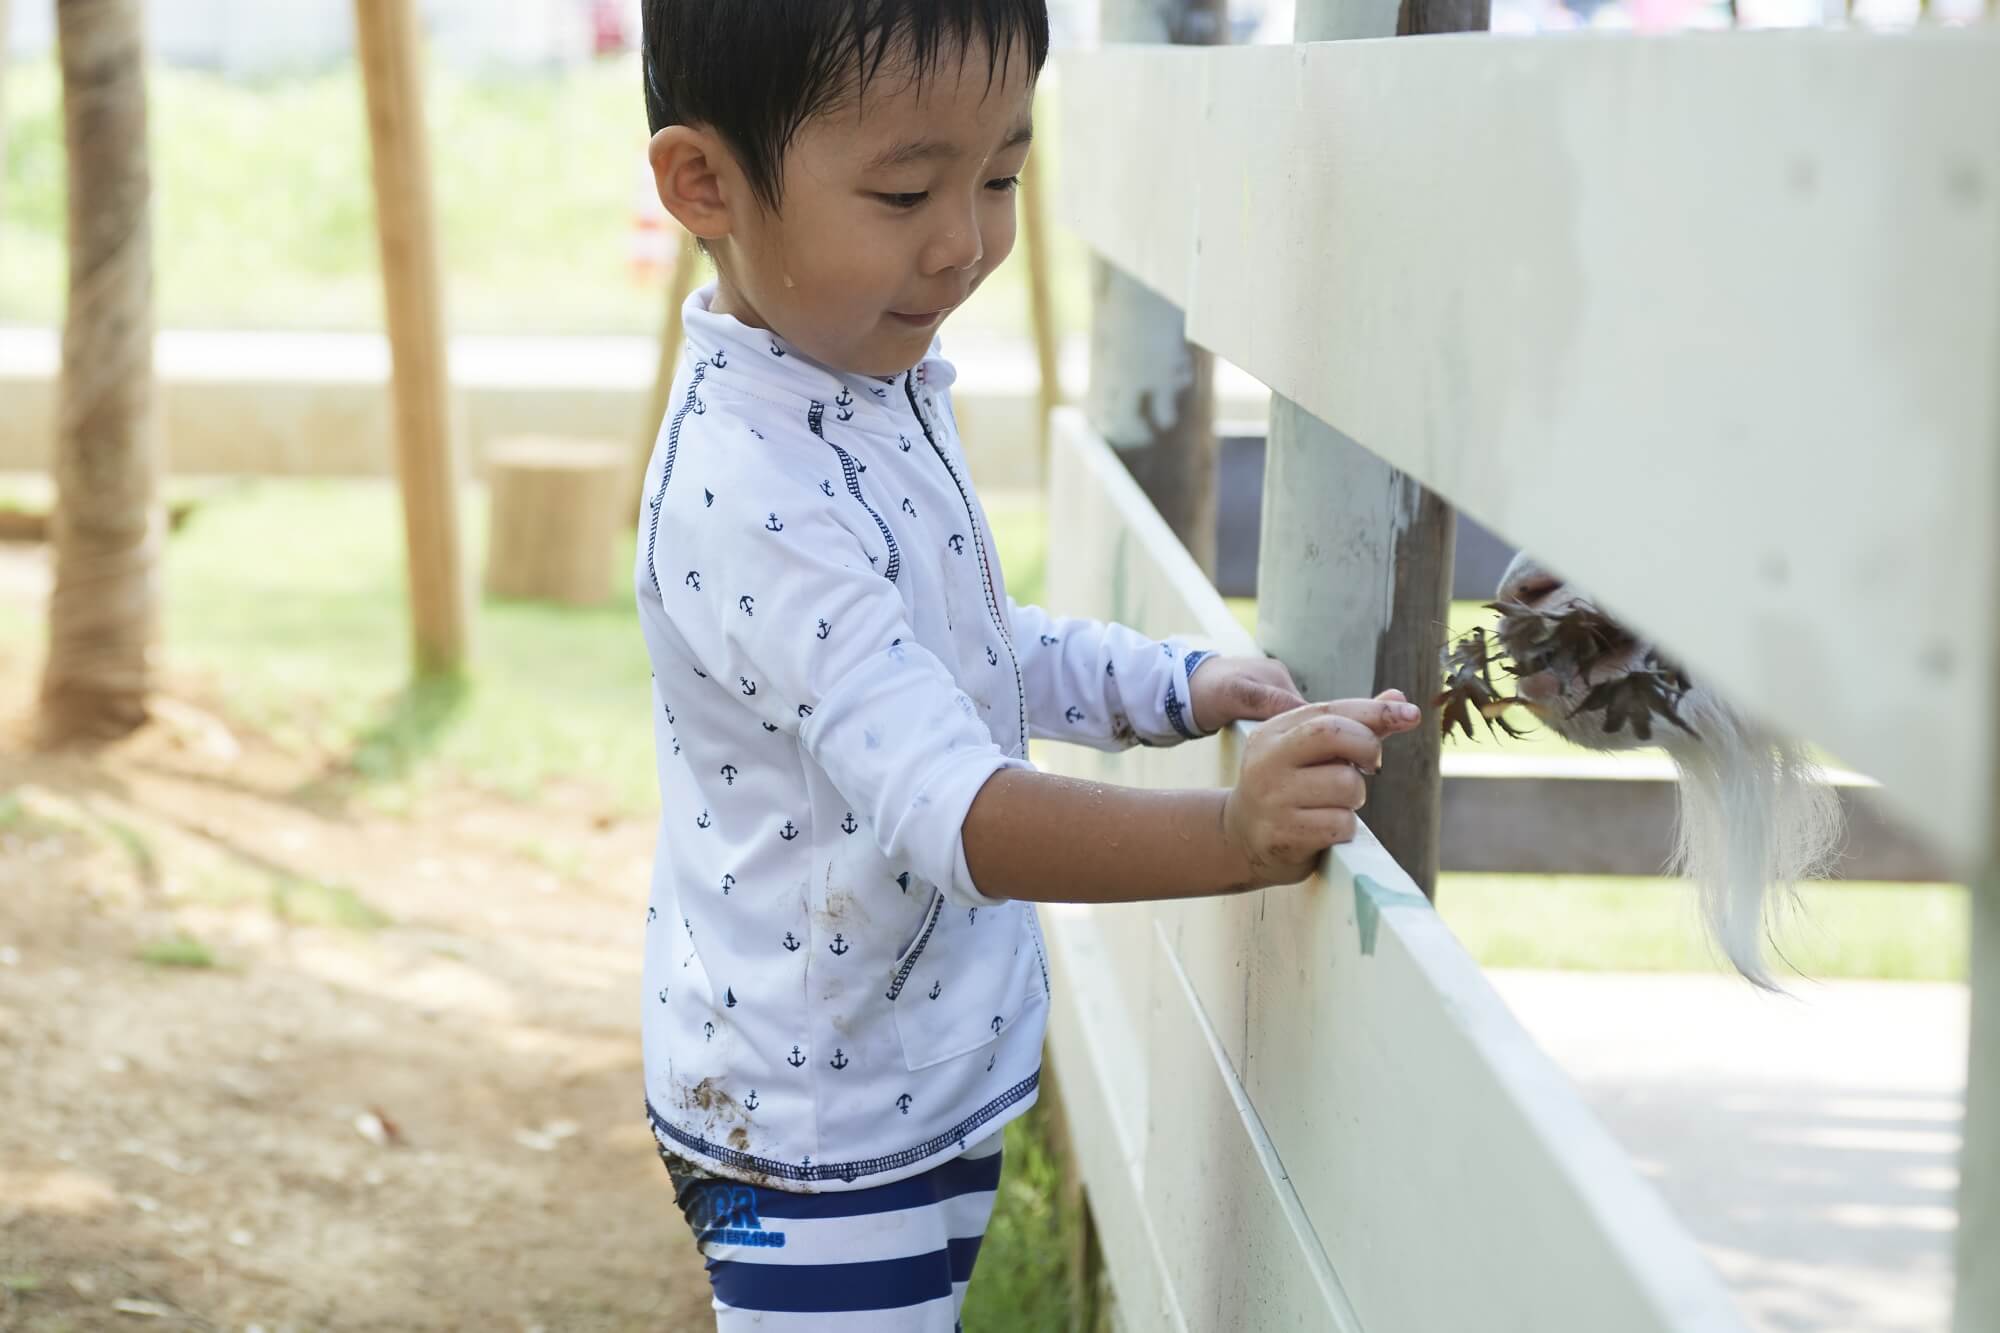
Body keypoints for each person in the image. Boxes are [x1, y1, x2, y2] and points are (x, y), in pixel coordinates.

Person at [631, 3, 1422, 1327]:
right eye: (904, 192)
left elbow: (964, 649)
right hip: (810, 1131)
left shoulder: (859, 388)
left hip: (904, 1082)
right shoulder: (758, 491)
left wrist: (1174, 685)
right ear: (705, 182)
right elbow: (961, 812)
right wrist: (1232, 836)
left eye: (999, 176)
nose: (963, 241)